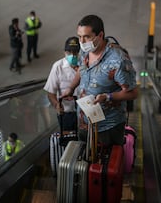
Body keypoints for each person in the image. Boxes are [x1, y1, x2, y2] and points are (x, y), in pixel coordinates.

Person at [65, 15, 138, 146]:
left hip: (108, 126)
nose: (81, 41)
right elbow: (81, 70)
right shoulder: (85, 51)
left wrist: (108, 97)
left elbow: (133, 93)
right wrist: (71, 88)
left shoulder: (118, 60)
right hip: (84, 121)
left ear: (100, 35)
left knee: (105, 164)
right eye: (79, 36)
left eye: (86, 37)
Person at [44, 36, 80, 131]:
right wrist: (56, 105)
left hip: (84, 113)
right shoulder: (57, 67)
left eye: (75, 52)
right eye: (69, 52)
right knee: (69, 142)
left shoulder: (87, 65)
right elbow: (51, 92)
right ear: (64, 52)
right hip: (66, 113)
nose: (72, 56)